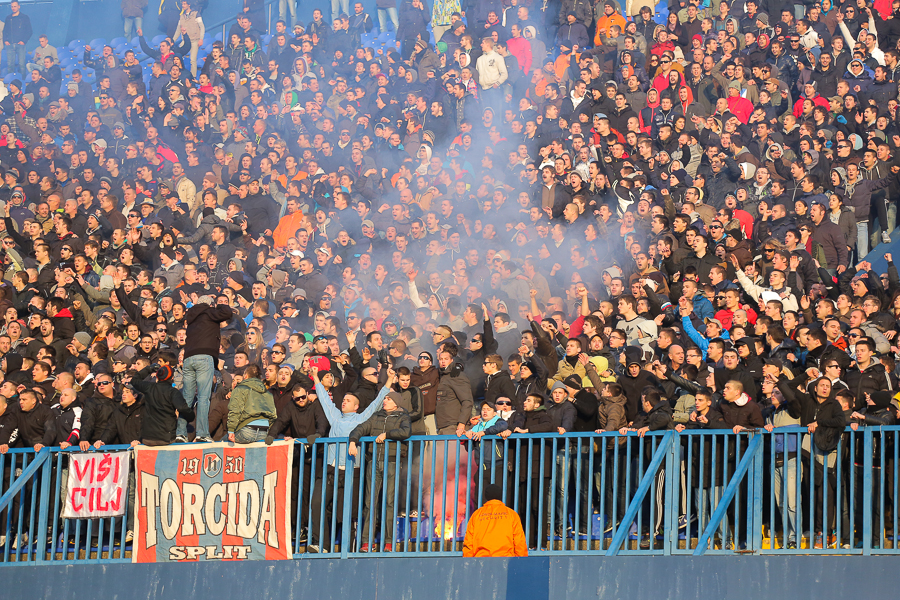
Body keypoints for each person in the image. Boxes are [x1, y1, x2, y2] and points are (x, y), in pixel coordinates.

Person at [348, 389, 411, 551]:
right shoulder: (376, 416)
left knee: (389, 502)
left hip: (392, 462)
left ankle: (389, 541)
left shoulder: (403, 416)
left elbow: (406, 432)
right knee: (370, 503)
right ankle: (367, 541)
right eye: (385, 398)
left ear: (396, 403)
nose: (385, 401)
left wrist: (387, 434)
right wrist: (353, 441)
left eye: (388, 399)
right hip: (373, 462)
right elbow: (360, 428)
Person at [177, 296, 234, 443]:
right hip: (204, 357)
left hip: (188, 358)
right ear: (210, 304)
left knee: (187, 398)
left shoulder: (191, 317)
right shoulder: (209, 312)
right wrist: (220, 304)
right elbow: (227, 313)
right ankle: (202, 433)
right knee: (203, 397)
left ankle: (180, 433)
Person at [462, 483, 528, 557]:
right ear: (500, 496)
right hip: (505, 560)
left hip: (481, 561)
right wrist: (521, 561)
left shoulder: (476, 515)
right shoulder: (511, 514)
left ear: (486, 497)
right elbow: (519, 542)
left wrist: (468, 562)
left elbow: (468, 543)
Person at [227, 364, 277, 443]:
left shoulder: (240, 389)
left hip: (246, 431)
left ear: (246, 376)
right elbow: (273, 414)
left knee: (221, 442)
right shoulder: (268, 393)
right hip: (264, 432)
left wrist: (231, 430)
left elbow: (235, 410)